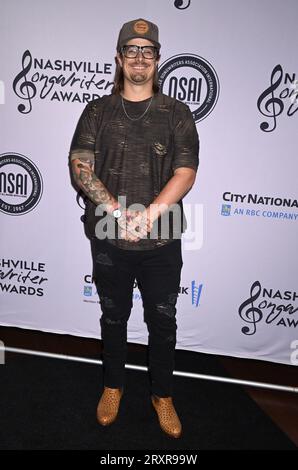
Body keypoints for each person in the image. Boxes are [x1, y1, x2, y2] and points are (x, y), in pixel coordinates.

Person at [69, 18, 199, 439]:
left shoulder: (177, 112)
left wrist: (148, 215)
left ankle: (163, 395)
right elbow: (80, 166)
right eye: (131, 50)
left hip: (164, 232)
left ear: (158, 59)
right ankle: (113, 386)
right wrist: (118, 212)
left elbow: (186, 171)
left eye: (147, 50)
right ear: (119, 58)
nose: (139, 57)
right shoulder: (97, 110)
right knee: (113, 316)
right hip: (109, 230)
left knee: (163, 321)